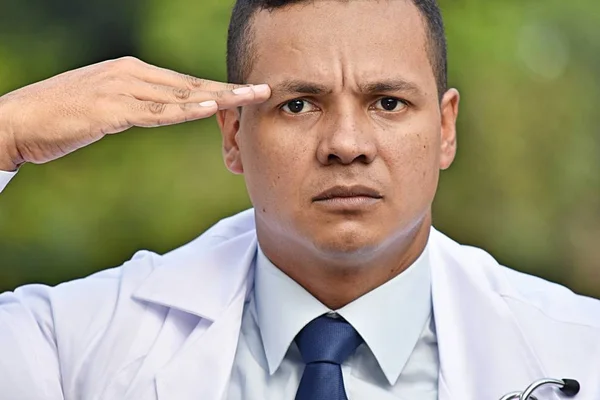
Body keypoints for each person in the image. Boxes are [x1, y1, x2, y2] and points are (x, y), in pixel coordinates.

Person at [0, 0, 599, 399]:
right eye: (298, 104)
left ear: (445, 129)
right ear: (235, 135)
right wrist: (7, 133)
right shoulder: (73, 341)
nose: (345, 144)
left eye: (388, 103)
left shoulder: (580, 348)